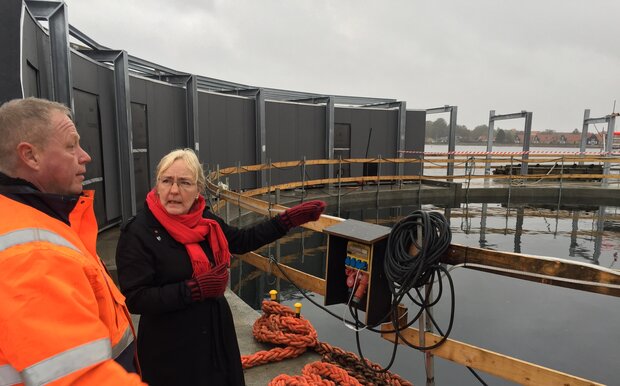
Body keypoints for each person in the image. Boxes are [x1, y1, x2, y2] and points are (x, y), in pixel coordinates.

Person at [115, 148, 326, 386]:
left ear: (198, 191)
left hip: (214, 338)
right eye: (167, 181)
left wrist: (286, 221)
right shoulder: (138, 231)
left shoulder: (205, 221)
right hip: (169, 351)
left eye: (185, 182)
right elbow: (136, 298)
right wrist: (194, 289)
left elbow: (242, 240)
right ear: (157, 185)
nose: (174, 190)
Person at [0, 97, 145, 385]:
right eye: (71, 145)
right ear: (30, 156)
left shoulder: (37, 221)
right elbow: (81, 377)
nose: (85, 156)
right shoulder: (30, 253)